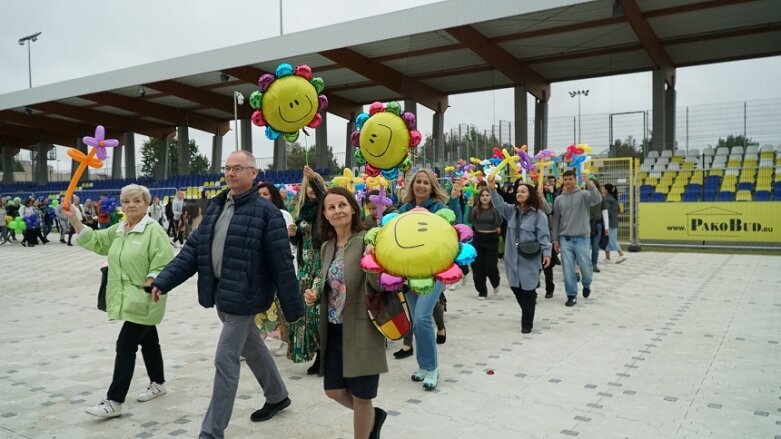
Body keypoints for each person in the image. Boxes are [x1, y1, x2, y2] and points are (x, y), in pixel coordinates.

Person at [150, 150, 305, 439]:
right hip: (221, 294)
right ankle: (277, 396)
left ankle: (211, 431)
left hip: (246, 297)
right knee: (254, 348)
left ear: (253, 173)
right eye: (227, 168)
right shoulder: (217, 207)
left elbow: (282, 264)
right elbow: (192, 251)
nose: (231, 173)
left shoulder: (266, 213)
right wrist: (164, 280)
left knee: (225, 359)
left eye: (238, 168)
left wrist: (294, 309)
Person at [64, 184, 174, 418]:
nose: (131, 205)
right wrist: (74, 219)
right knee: (149, 341)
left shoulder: (154, 230)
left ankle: (114, 401)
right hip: (127, 298)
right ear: (121, 205)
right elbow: (95, 241)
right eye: (126, 201)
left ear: (146, 204)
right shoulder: (118, 229)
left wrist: (153, 278)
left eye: (137, 200)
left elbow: (164, 260)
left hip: (146, 297)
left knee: (125, 345)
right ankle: (159, 383)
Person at [303, 187, 388, 439]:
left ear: (353, 208)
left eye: (342, 205)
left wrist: (374, 263)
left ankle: (365, 426)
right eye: (331, 207)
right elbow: (328, 283)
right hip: (335, 329)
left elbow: (380, 286)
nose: (337, 210)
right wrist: (314, 293)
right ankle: (374, 416)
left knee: (362, 396)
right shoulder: (327, 247)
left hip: (362, 328)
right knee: (333, 390)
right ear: (325, 215)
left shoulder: (367, 240)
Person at [394, 169, 462, 390]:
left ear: (432, 187)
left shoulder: (441, 210)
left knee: (423, 318)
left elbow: (456, 231)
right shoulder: (403, 210)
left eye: (426, 182)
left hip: (434, 272)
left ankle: (432, 368)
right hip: (409, 272)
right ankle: (423, 366)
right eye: (418, 182)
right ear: (412, 185)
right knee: (416, 321)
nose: (421, 186)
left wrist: (456, 201)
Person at [488, 177, 551, 333]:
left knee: (528, 290)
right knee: (516, 287)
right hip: (512, 258)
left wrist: (547, 253)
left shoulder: (539, 216)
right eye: (518, 191)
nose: (519, 193)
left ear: (530, 195)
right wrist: (492, 189)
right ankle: (529, 304)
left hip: (529, 259)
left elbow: (544, 236)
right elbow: (499, 204)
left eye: (523, 191)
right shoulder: (511, 211)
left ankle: (527, 323)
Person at [287, 166, 327, 371]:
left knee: (317, 311)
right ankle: (316, 354)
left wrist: (314, 179)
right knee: (305, 313)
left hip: (321, 263)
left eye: (315, 184)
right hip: (304, 266)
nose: (312, 188)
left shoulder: (325, 208)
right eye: (309, 185)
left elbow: (326, 197)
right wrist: (293, 235)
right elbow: (300, 242)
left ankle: (324, 355)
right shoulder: (302, 210)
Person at [551, 170, 603, 307]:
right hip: (565, 239)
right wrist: (555, 240)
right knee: (567, 269)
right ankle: (571, 295)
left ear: (575, 180)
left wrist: (590, 184)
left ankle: (586, 284)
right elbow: (555, 220)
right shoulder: (559, 199)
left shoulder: (584, 195)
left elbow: (597, 199)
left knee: (586, 266)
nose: (568, 182)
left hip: (582, 238)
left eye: (570, 179)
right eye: (565, 179)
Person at [469, 188, 503, 300]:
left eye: (487, 195)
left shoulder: (495, 210)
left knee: (490, 266)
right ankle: (482, 291)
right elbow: (471, 220)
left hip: (492, 239)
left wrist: (498, 229)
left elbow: (500, 222)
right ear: (479, 197)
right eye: (482, 195)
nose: (485, 197)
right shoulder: (475, 209)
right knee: (477, 267)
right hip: (478, 239)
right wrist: (469, 207)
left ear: (490, 197)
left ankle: (495, 282)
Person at [541, 176, 560, 298]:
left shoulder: (550, 196)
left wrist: (544, 197)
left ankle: (549, 288)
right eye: (546, 184)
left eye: (549, 184)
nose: (548, 186)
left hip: (548, 233)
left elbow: (549, 210)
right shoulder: (532, 198)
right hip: (535, 236)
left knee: (547, 265)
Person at [602, 184, 627, 264]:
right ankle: (607, 257)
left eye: (603, 189)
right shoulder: (614, 198)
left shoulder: (607, 199)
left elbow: (607, 211)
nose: (602, 190)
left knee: (612, 239)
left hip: (610, 222)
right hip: (614, 221)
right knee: (607, 239)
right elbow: (619, 210)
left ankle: (621, 254)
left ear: (606, 190)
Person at [588, 179, 609, 273]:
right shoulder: (584, 196)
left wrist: (606, 226)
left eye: (593, 185)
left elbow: (605, 212)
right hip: (585, 225)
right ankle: (584, 263)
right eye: (589, 185)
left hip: (597, 224)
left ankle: (594, 264)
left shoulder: (601, 197)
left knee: (595, 246)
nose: (591, 187)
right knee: (584, 246)